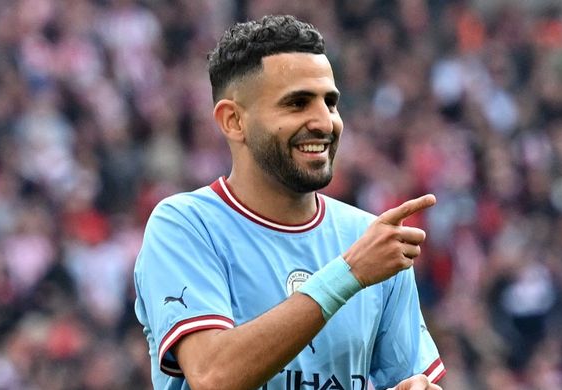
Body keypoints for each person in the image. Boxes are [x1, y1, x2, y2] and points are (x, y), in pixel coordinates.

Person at [133, 15, 446, 390]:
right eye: (297, 103)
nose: (324, 122)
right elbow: (213, 376)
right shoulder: (185, 225)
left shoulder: (370, 237)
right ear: (233, 121)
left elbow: (407, 380)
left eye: (330, 103)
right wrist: (349, 274)